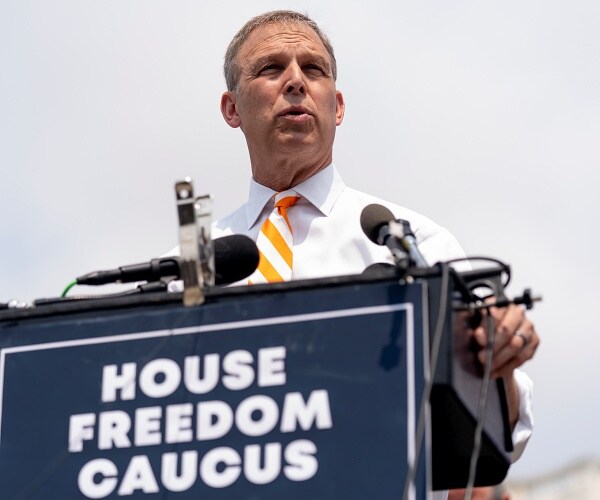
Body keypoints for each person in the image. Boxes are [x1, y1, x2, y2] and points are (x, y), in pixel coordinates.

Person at [179, 9, 539, 497]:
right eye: (269, 68)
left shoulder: (416, 244)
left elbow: (497, 438)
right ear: (231, 108)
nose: (295, 82)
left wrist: (501, 362)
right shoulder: (194, 269)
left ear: (338, 105)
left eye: (313, 69)